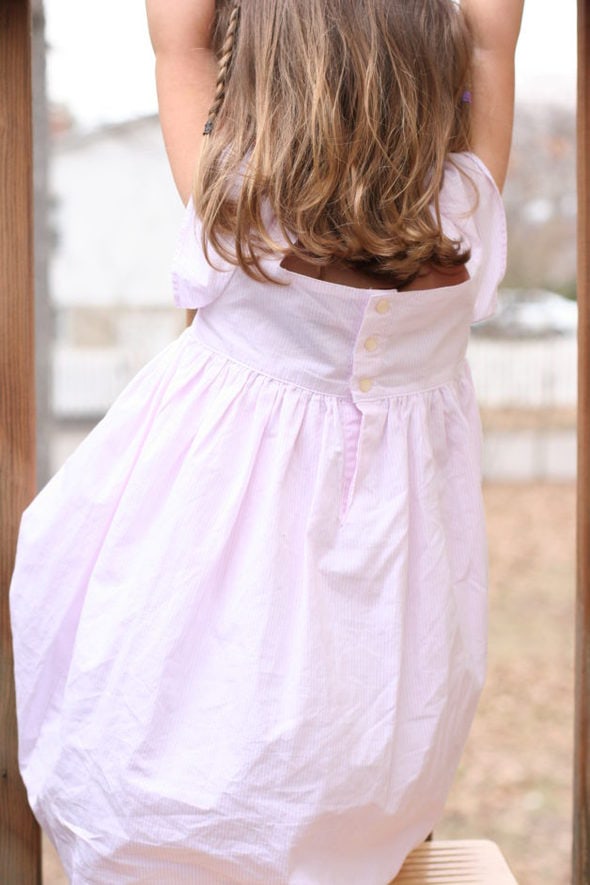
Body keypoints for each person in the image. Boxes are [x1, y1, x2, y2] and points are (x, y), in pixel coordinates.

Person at [10, 1, 524, 882]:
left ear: (263, 90)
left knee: (177, 716)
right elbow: (490, 35)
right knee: (352, 726)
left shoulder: (236, 202)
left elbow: (180, 43)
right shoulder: (465, 217)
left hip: (203, 538)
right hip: (391, 579)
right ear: (440, 82)